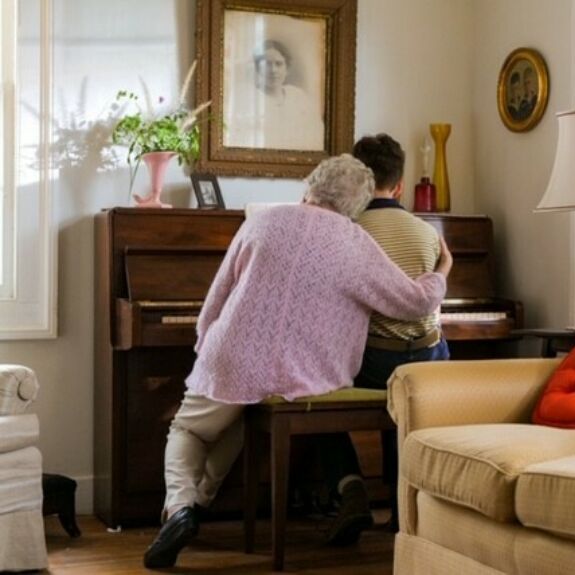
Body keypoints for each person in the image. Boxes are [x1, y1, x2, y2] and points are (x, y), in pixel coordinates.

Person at [142, 154, 452, 569]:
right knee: (237, 422)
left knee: (193, 428)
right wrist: (442, 269)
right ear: (356, 206)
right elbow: (413, 303)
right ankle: (195, 507)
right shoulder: (355, 241)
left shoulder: (261, 221)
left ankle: (182, 508)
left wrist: (206, 342)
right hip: (307, 373)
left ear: (310, 186)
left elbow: (218, 294)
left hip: (237, 356)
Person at [350, 134, 451, 531]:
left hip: (375, 363)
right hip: (427, 359)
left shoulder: (351, 230)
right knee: (431, 351)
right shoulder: (428, 233)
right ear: (400, 185)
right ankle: (406, 508)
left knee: (318, 377)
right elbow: (433, 300)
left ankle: (346, 490)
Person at [224, 39, 324, 151]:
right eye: (267, 64)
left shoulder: (298, 97)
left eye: (279, 64)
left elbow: (314, 135)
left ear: (287, 69)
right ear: (257, 68)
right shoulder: (246, 97)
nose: (273, 70)